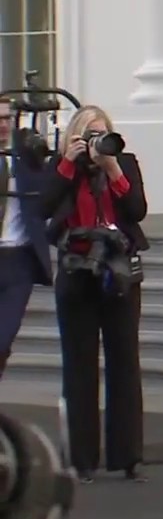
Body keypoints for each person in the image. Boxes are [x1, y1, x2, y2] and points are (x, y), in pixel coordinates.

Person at [39, 105, 149, 484]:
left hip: (117, 272)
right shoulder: (62, 166)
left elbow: (137, 209)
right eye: (89, 135)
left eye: (102, 134)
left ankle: (128, 456)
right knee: (79, 365)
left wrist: (113, 167)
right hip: (77, 270)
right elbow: (43, 207)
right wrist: (68, 164)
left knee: (124, 361)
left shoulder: (124, 162)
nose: (95, 143)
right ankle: (82, 458)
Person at [0, 97, 53, 379]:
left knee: (3, 337)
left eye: (8, 118)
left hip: (17, 259)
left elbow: (48, 194)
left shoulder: (26, 156)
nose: (4, 125)